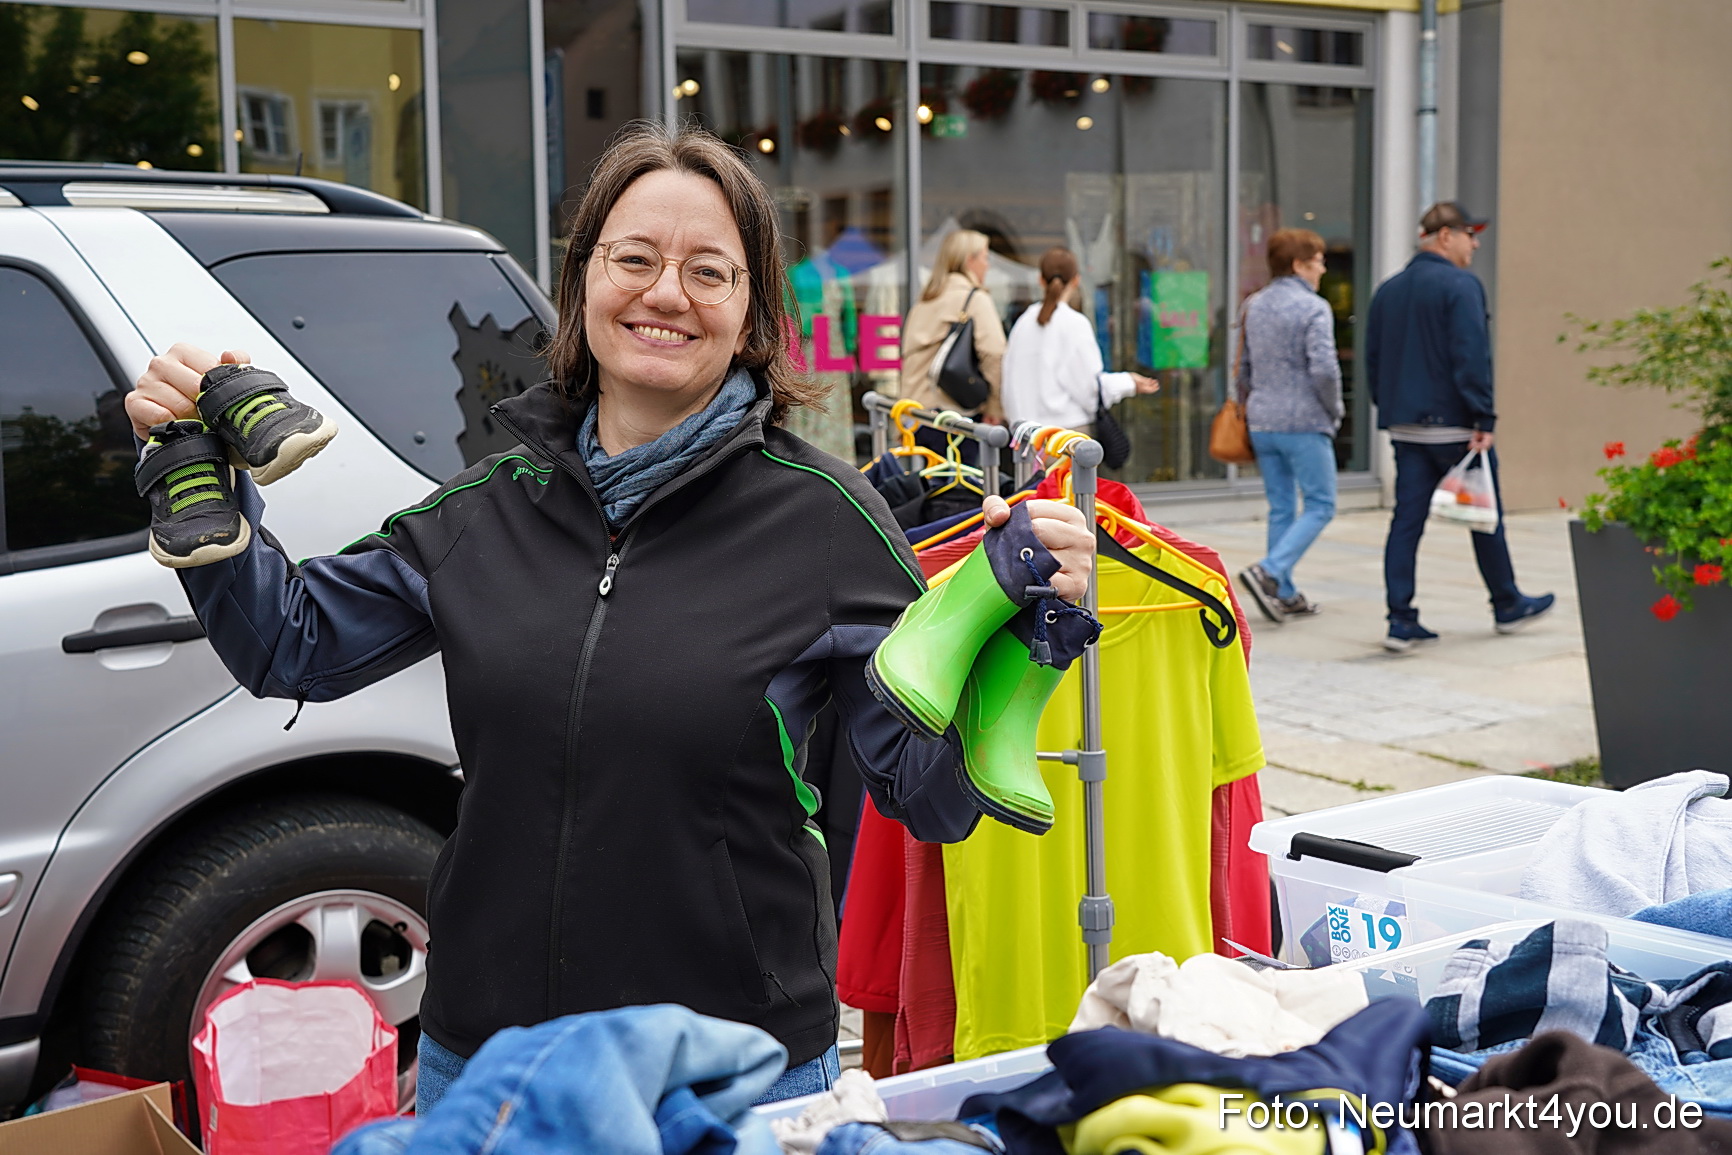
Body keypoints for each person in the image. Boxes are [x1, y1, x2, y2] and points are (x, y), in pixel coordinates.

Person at [124, 124, 1096, 1109]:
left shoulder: (829, 524)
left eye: (708, 271)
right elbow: (290, 644)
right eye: (634, 258)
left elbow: (926, 796)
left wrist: (1023, 636)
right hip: (491, 1056)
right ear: (582, 279)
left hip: (726, 1072)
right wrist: (198, 490)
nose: (666, 292)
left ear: (750, 309)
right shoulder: (487, 507)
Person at [1365, 202, 1553, 653]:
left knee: (1405, 522)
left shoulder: (1387, 291)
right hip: (1454, 428)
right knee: (1484, 517)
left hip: (1406, 428)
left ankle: (1400, 619)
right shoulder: (1460, 286)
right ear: (1445, 235)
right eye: (1471, 234)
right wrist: (1483, 416)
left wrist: (1389, 408)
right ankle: (1507, 604)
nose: (1476, 243)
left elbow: (1373, 359)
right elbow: (1471, 355)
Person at [1234, 228, 1343, 624]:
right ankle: (1269, 571)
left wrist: (1251, 406)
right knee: (1321, 504)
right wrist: (1334, 411)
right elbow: (1325, 370)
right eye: (1318, 261)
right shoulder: (1314, 308)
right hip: (1304, 420)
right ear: (1299, 265)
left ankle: (1283, 593)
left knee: (1281, 506)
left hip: (1263, 420)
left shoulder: (1253, 305)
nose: (1323, 268)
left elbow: (1241, 369)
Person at [1000, 246, 1159, 436]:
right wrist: (1128, 382)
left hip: (1024, 436)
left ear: (1040, 280)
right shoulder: (1074, 324)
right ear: (1076, 280)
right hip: (1064, 435)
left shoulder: (1023, 323)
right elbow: (1089, 391)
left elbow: (1008, 382)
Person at [900, 228, 1007, 419]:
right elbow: (994, 353)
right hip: (953, 416)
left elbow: (909, 361)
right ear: (969, 260)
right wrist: (994, 407)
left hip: (915, 413)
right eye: (985, 258)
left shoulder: (924, 301)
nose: (988, 265)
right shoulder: (975, 299)